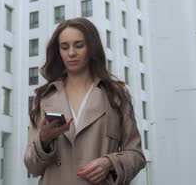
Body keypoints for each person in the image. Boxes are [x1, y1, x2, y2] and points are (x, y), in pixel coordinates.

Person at [24, 17, 146, 184]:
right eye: (64, 47)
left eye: (79, 45)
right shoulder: (44, 97)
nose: (71, 53)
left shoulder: (116, 94)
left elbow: (136, 154)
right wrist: (44, 140)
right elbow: (32, 166)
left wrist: (110, 162)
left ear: (91, 48)